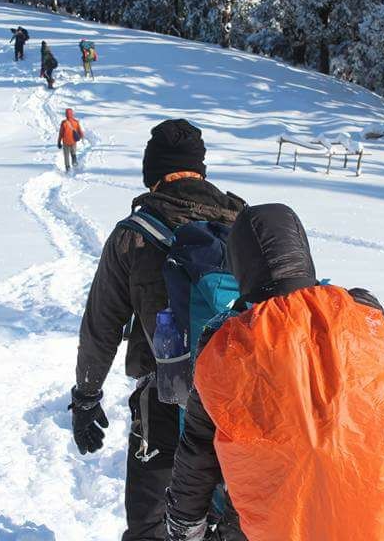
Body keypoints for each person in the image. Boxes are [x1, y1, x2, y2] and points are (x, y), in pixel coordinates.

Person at [164, 203, 384, 541]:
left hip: (267, 526)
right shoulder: (363, 318)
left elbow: (199, 448)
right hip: (376, 518)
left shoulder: (229, 342)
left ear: (240, 264)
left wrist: (184, 524)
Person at [70, 119, 245, 541]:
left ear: (153, 175)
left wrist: (86, 397)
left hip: (166, 402)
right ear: (200, 170)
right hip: (238, 404)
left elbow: (101, 325)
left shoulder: (134, 236)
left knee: (153, 523)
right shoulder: (243, 226)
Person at [57, 108, 83, 172]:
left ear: (66, 114)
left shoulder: (64, 123)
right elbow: (80, 132)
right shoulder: (76, 122)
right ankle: (75, 165)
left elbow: (61, 133)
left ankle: (68, 169)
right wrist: (80, 137)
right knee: (73, 154)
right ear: (72, 114)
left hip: (65, 142)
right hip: (73, 142)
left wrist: (59, 142)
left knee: (66, 156)